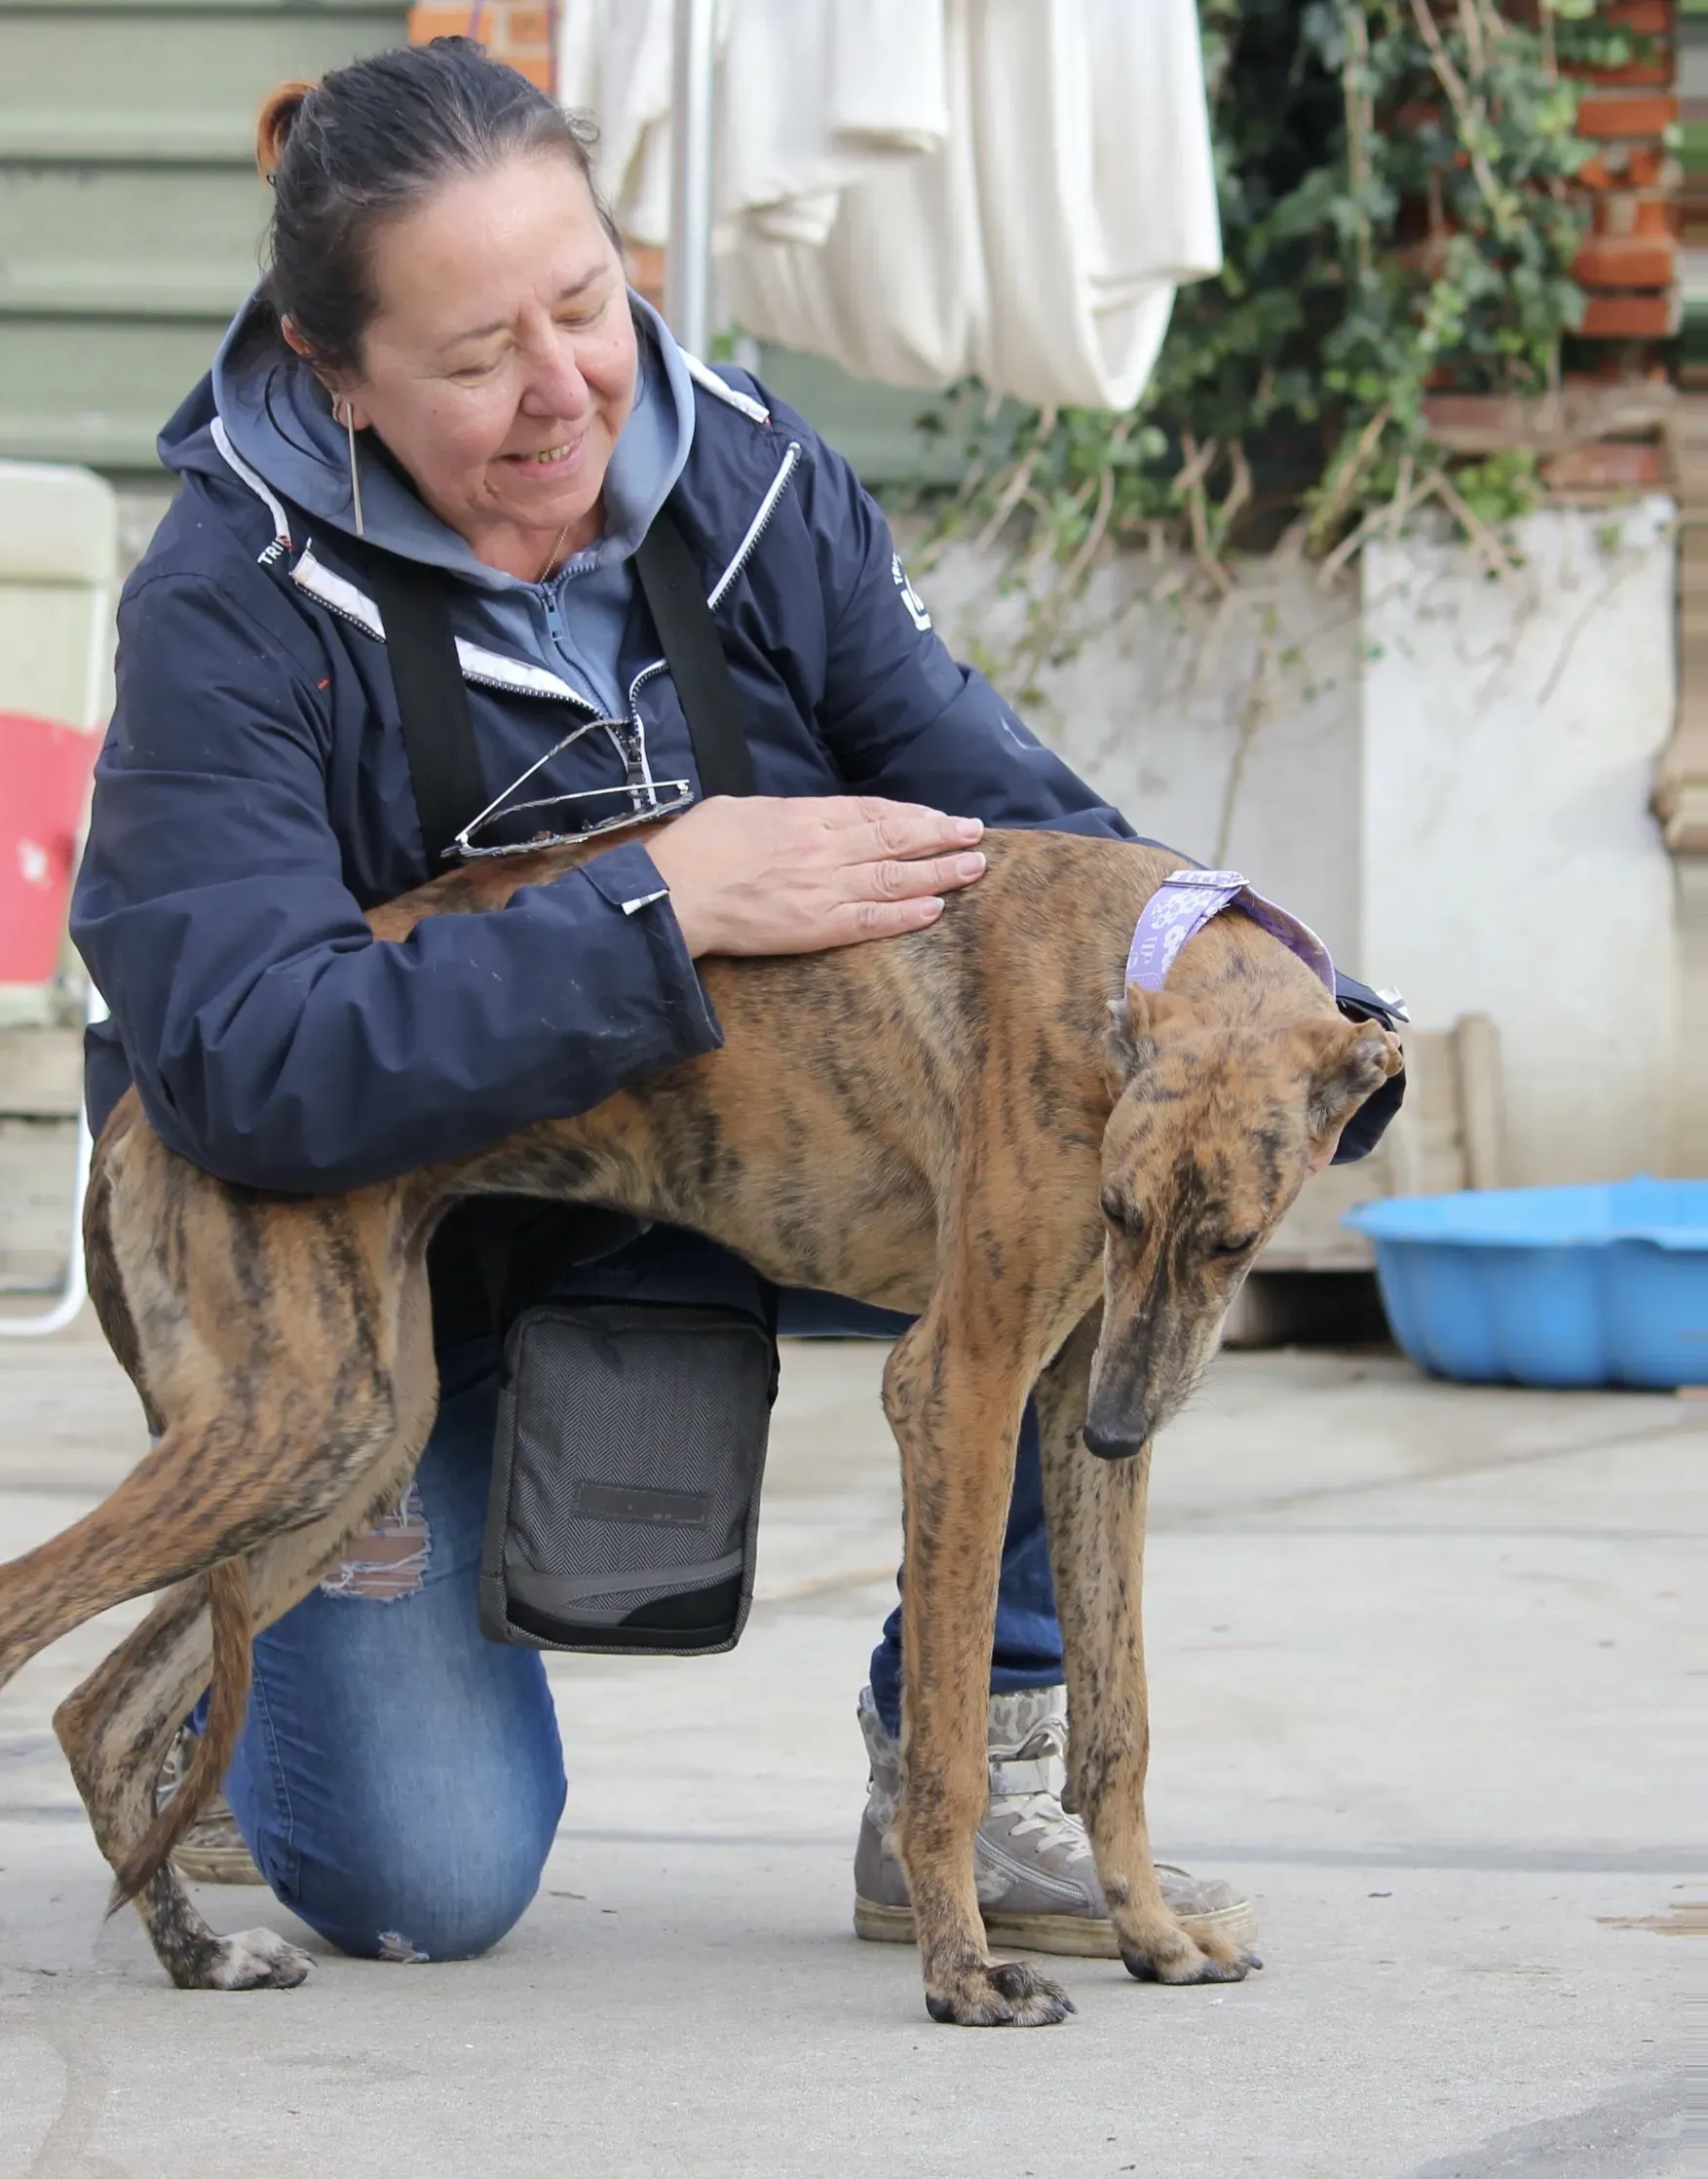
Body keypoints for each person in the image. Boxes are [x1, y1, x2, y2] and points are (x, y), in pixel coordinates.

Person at [73, 41, 1392, 1969]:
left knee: (1080, 1195)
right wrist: (655, 904)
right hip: (362, 1229)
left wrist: (1286, 1008)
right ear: (332, 367)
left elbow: (1030, 843)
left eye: (586, 306)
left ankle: (986, 1748)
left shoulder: (756, 483)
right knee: (421, 1874)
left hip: (728, 1160)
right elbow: (239, 1059)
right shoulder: (229, 599)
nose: (560, 392)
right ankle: (227, 1669)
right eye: (470, 360)